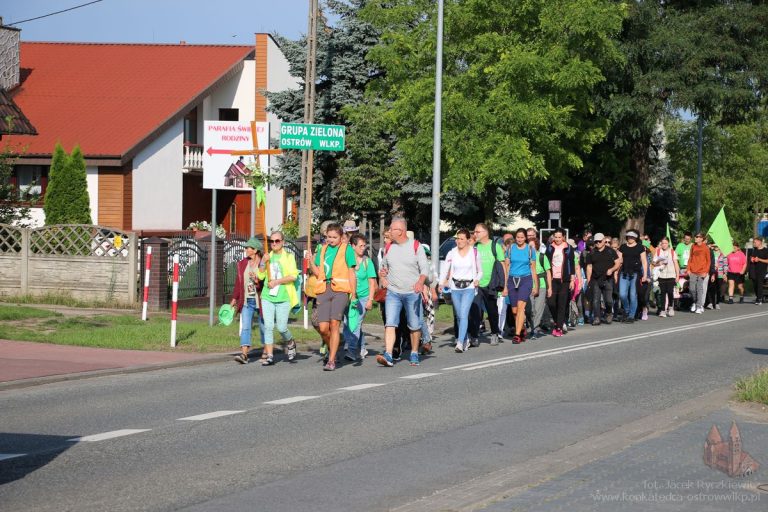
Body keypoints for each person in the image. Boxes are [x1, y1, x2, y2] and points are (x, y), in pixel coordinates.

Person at [377, 217, 429, 367]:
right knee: (390, 323)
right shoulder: (389, 247)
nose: (389, 232)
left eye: (392, 229)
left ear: (400, 231)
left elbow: (424, 268)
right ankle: (388, 354)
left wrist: (420, 282)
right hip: (393, 292)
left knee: (414, 325)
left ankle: (413, 352)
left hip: (412, 292)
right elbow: (384, 267)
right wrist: (383, 275)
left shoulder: (415, 246)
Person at [309, 223, 357, 371]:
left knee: (335, 323)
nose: (331, 240)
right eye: (328, 237)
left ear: (341, 237)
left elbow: (351, 272)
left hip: (340, 290)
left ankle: (331, 360)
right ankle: (334, 347)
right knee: (323, 328)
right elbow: (318, 273)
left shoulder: (346, 249)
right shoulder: (322, 250)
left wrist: (353, 294)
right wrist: (311, 260)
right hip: (324, 289)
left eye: (334, 237)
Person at [256, 231, 299, 365]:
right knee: (268, 326)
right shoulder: (268, 256)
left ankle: (290, 342)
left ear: (283, 242)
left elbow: (293, 276)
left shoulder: (289, 257)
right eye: (271, 241)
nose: (274, 244)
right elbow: (260, 276)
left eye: (277, 241)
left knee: (281, 327)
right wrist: (263, 261)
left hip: (283, 297)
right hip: (267, 296)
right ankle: (269, 355)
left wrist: (277, 282)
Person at [439, 229, 482, 352]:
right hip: (455, 287)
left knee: (463, 315)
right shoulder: (452, 253)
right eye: (458, 238)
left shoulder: (474, 253)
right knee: (459, 316)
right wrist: (441, 283)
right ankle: (465, 340)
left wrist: (477, 279)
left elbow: (481, 271)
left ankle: (459, 342)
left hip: (469, 287)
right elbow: (444, 269)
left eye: (462, 239)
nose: (459, 241)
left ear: (468, 240)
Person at [469, 223, 507, 346]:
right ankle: (474, 335)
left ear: (485, 232)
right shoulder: (474, 247)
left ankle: (495, 333)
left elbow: (503, 267)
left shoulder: (495, 246)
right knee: (475, 310)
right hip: (476, 284)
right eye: (474, 232)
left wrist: (505, 286)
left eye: (477, 232)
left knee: (492, 311)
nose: (475, 234)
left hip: (491, 284)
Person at [230, 237, 266, 364]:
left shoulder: (264, 263)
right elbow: (238, 283)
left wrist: (257, 281)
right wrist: (235, 298)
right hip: (247, 300)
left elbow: (266, 283)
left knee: (263, 327)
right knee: (245, 327)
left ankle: (266, 351)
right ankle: (244, 354)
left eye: (248, 248)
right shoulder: (243, 264)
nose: (245, 250)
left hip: (261, 300)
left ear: (255, 250)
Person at [342, 234, 377, 362]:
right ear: (353, 246)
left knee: (355, 324)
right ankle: (361, 348)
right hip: (349, 296)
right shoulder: (347, 261)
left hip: (363, 297)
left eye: (364, 245)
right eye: (360, 246)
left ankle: (352, 350)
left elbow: (372, 282)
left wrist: (370, 300)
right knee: (347, 323)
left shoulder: (367, 262)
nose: (363, 248)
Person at [506, 228, 538, 343]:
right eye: (518, 237)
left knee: (520, 308)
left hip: (526, 280)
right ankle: (522, 328)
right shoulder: (510, 249)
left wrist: (535, 286)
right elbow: (507, 267)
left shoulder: (530, 250)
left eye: (522, 237)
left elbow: (533, 269)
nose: (519, 239)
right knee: (514, 310)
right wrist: (505, 285)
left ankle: (517, 335)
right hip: (512, 280)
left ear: (525, 238)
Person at [544, 228, 575, 337]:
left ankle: (558, 327)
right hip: (552, 279)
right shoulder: (549, 247)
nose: (557, 239)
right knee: (551, 302)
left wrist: (572, 279)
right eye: (555, 237)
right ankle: (558, 321)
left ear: (563, 237)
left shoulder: (568, 248)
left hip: (564, 280)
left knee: (562, 304)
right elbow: (546, 263)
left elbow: (572, 264)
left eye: (559, 237)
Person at [586, 233, 620, 325]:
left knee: (608, 300)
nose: (597, 243)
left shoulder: (611, 251)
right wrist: (589, 281)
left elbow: (617, 263)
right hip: (596, 279)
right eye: (596, 241)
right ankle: (597, 317)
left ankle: (608, 313)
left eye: (599, 241)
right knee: (596, 300)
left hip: (607, 279)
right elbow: (589, 267)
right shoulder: (591, 253)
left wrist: (612, 269)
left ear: (604, 240)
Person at [617, 230, 648, 323]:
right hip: (624, 273)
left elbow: (644, 261)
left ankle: (631, 315)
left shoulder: (640, 247)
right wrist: (615, 272)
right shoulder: (623, 247)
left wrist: (645, 274)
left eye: (632, 237)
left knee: (633, 295)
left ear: (636, 238)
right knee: (622, 294)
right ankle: (626, 310)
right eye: (629, 236)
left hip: (635, 274)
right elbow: (619, 260)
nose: (630, 238)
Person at [651, 237, 679, 317]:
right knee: (662, 293)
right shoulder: (658, 251)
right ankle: (663, 310)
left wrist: (677, 276)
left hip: (671, 275)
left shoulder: (672, 252)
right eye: (662, 243)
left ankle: (670, 307)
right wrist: (659, 263)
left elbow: (676, 264)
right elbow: (653, 262)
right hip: (661, 275)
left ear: (668, 243)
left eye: (665, 243)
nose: (664, 245)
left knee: (670, 292)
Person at [687, 232, 712, 314]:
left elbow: (708, 261)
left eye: (697, 237)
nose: (696, 238)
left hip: (702, 271)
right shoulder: (693, 246)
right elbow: (690, 258)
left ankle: (699, 306)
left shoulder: (706, 248)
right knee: (691, 289)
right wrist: (688, 269)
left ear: (702, 238)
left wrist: (706, 271)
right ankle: (695, 302)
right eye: (695, 236)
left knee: (699, 289)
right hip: (693, 271)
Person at [748, 237, 768, 305]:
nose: (754, 243)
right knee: (755, 285)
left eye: (755, 242)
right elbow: (751, 257)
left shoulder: (765, 250)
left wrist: (759, 259)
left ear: (760, 242)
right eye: (754, 242)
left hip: (762, 270)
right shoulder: (754, 250)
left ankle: (759, 299)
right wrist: (752, 259)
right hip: (753, 269)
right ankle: (759, 297)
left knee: (759, 284)